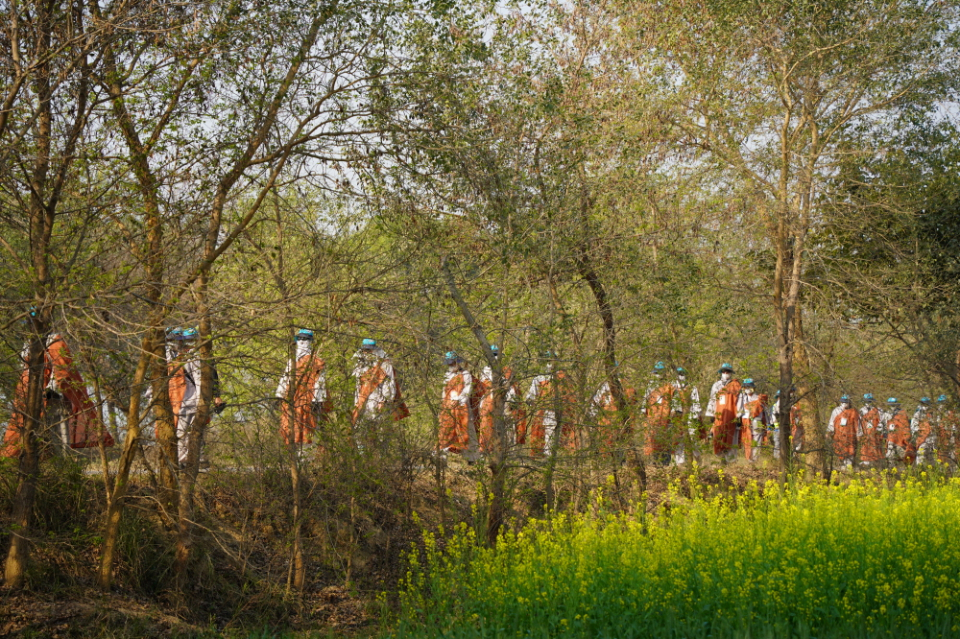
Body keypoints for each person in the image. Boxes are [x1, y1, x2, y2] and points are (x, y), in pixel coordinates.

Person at [2, 332, 114, 458]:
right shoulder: (49, 342)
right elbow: (64, 375)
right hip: (43, 400)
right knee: (45, 441)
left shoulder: (34, 344)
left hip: (46, 399)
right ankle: (57, 464)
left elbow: (64, 375)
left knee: (44, 440)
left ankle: (59, 465)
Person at [170, 328, 224, 468]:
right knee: (182, 434)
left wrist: (215, 397)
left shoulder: (201, 356)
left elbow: (212, 377)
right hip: (182, 402)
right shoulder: (176, 357)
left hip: (196, 402)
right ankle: (185, 463)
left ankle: (199, 462)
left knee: (194, 432)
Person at [275, 329, 331, 454]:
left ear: (310, 341)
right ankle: (295, 461)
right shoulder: (292, 361)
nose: (301, 342)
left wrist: (316, 400)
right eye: (299, 339)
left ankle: (307, 461)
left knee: (308, 430)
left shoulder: (317, 361)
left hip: (308, 401)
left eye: (305, 339)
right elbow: (285, 378)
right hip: (292, 400)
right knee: (290, 429)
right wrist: (279, 396)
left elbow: (320, 382)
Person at [351, 338, 409, 451]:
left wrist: (384, 400)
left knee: (380, 428)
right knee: (359, 427)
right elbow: (358, 384)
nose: (367, 352)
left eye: (369, 350)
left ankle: (381, 453)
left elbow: (389, 383)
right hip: (362, 399)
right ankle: (362, 453)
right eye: (365, 350)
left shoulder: (384, 363)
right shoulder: (360, 362)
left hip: (377, 399)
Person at [525, 351, 578, 456]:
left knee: (562, 436)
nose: (549, 363)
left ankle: (558, 457)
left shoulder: (564, 378)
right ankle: (548, 457)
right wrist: (536, 406)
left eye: (551, 361)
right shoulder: (539, 378)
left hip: (562, 412)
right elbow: (530, 398)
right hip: (545, 412)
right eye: (547, 361)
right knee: (546, 434)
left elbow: (571, 397)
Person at [475, 345, 524, 453]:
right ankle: (490, 449)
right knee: (491, 424)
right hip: (492, 400)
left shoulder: (505, 370)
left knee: (505, 426)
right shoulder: (486, 370)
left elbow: (512, 387)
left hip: (502, 400)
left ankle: (505, 450)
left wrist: (512, 400)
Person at [589, 370, 635, 456]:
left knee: (613, 448)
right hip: (613, 423)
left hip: (612, 423)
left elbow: (594, 408)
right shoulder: (605, 386)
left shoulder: (605, 385)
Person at [438, 351, 475, 456]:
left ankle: (469, 457)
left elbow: (467, 390)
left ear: (457, 362)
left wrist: (458, 400)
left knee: (464, 430)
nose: (451, 365)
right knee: (445, 429)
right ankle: (443, 454)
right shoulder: (446, 376)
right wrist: (444, 404)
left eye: (452, 363)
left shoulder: (466, 375)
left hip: (461, 407)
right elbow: (444, 392)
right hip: (447, 407)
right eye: (449, 364)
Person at [706, 363, 742, 461]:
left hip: (731, 415)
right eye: (724, 371)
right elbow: (712, 399)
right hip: (719, 415)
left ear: (731, 373)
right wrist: (711, 414)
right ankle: (721, 460)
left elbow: (739, 400)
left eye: (728, 371)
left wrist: (739, 415)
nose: (726, 373)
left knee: (731, 437)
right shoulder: (716, 385)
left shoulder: (736, 385)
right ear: (721, 372)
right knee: (718, 436)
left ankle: (731, 461)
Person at [643, 362, 677, 466]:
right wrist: (646, 421)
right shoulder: (650, 387)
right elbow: (644, 406)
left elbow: (675, 406)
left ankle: (665, 465)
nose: (657, 375)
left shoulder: (670, 387)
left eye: (659, 372)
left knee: (665, 444)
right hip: (652, 421)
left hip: (666, 422)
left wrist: (671, 420)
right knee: (652, 444)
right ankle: (654, 465)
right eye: (656, 373)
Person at [671, 366, 701, 465]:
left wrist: (696, 418)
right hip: (677, 417)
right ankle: (680, 463)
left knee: (692, 439)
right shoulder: (672, 387)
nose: (681, 376)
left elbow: (696, 403)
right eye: (679, 374)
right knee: (678, 439)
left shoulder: (692, 387)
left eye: (682, 374)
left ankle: (697, 459)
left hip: (690, 416)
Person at [738, 379, 768, 462]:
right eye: (745, 387)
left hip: (757, 421)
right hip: (745, 422)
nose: (747, 389)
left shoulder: (759, 398)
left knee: (757, 439)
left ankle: (755, 459)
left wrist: (769, 425)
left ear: (753, 387)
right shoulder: (742, 399)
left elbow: (766, 413)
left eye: (749, 387)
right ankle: (749, 459)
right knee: (747, 440)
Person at [827, 395, 859, 470]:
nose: (844, 404)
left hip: (850, 434)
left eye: (846, 402)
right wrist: (829, 431)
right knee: (840, 449)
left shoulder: (854, 411)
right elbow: (831, 422)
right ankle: (842, 464)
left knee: (851, 450)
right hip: (839, 434)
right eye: (843, 402)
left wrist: (858, 434)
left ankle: (849, 465)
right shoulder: (836, 411)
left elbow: (857, 424)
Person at [858, 394, 885, 468]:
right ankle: (866, 462)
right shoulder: (861, 411)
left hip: (875, 433)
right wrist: (859, 433)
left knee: (876, 447)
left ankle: (876, 463)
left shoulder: (878, 410)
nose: (868, 403)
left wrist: (880, 431)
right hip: (865, 433)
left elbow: (882, 421)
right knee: (865, 447)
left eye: (869, 401)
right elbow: (859, 423)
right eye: (866, 402)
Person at [884, 398, 913, 466]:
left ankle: (909, 468)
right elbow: (885, 426)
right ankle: (892, 469)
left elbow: (906, 426)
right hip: (891, 438)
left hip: (900, 439)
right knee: (890, 455)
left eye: (893, 405)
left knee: (904, 455)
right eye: (891, 405)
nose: (892, 406)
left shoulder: (902, 414)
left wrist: (906, 437)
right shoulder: (887, 414)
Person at [934, 395, 958, 466]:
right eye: (941, 403)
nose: (942, 405)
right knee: (940, 452)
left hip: (951, 435)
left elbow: (955, 424)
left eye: (943, 403)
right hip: (941, 436)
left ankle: (953, 467)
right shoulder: (936, 414)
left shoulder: (951, 413)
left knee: (952, 453)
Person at [911, 397, 936, 466]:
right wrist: (917, 434)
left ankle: (934, 469)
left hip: (932, 438)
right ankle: (920, 468)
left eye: (926, 404)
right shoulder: (918, 414)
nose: (925, 406)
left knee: (933, 456)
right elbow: (914, 425)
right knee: (920, 454)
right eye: (924, 404)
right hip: (922, 438)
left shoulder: (933, 413)